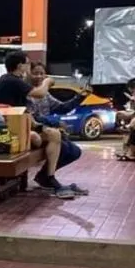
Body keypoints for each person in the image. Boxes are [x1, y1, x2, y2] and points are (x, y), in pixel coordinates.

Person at [0, 51, 74, 199]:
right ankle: (46, 177)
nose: (29, 67)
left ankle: (50, 177)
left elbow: (23, 110)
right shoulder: (11, 80)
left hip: (18, 125)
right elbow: (40, 93)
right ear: (20, 66)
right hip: (8, 129)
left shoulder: (13, 80)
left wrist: (37, 125)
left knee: (54, 135)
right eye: (28, 63)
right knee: (37, 139)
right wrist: (47, 82)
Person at [27, 62, 89, 195]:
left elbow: (62, 107)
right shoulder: (28, 92)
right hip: (38, 132)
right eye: (35, 73)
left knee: (75, 151)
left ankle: (44, 176)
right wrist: (56, 122)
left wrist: (80, 97)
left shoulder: (45, 94)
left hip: (49, 131)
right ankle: (48, 177)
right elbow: (33, 118)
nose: (39, 76)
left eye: (42, 73)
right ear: (28, 74)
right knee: (64, 148)